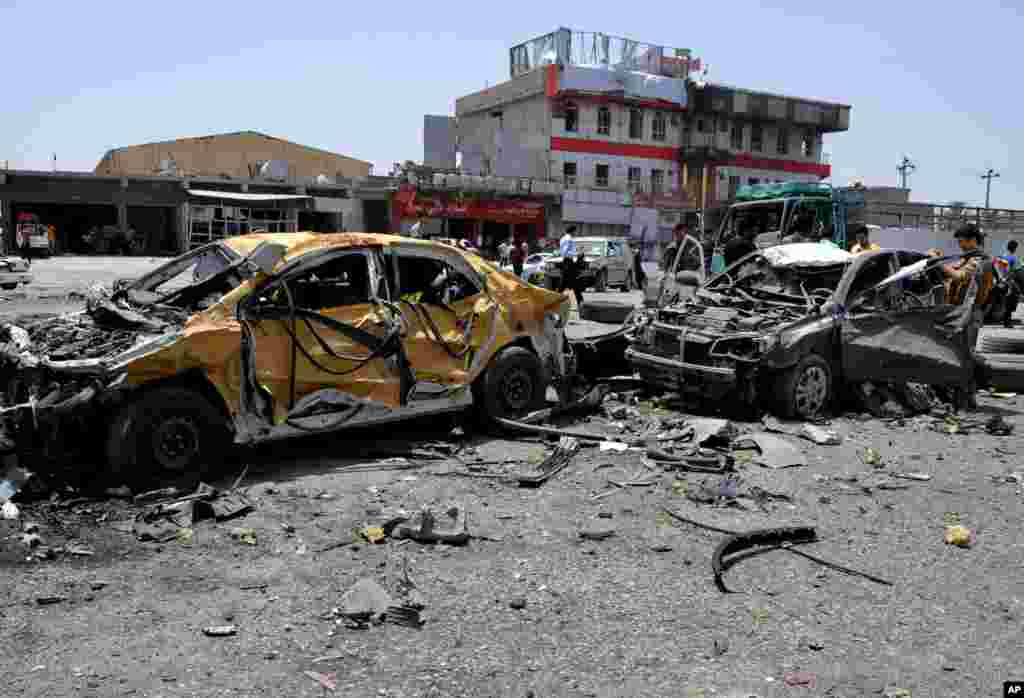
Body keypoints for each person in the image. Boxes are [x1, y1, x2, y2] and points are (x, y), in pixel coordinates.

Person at [940, 224, 994, 409]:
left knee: (966, 355)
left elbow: (959, 276)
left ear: (973, 240)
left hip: (970, 314)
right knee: (958, 354)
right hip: (961, 313)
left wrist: (939, 262)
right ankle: (961, 397)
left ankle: (967, 398)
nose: (960, 245)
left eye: (962, 241)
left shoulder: (979, 260)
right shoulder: (967, 258)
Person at [1000, 240, 1020, 327]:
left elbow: (1002, 269)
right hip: (1010, 281)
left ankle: (1006, 321)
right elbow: (1013, 271)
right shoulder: (1013, 257)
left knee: (1006, 301)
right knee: (1011, 301)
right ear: (1014, 248)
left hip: (1002, 280)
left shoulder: (1003, 256)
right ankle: (1007, 322)